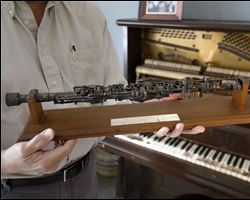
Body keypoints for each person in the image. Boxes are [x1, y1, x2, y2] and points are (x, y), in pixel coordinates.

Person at [1, 1, 205, 199]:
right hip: (12, 188)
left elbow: (112, 98)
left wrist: (144, 115)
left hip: (85, 178)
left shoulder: (90, 14)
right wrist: (5, 164)